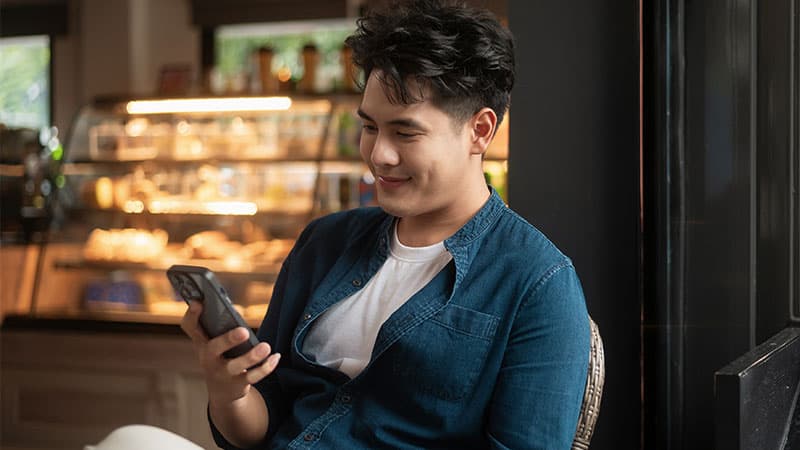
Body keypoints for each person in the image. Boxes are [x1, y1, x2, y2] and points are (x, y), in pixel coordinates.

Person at [181, 1, 590, 448]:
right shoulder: (325, 242)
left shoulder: (538, 282)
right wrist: (228, 389)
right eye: (370, 127)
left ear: (481, 131)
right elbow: (262, 423)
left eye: (405, 132)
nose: (378, 155)